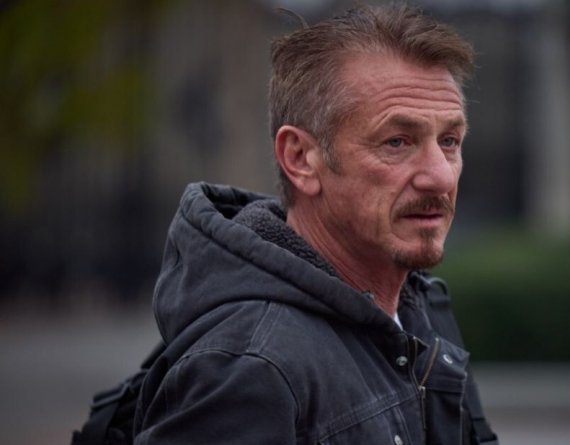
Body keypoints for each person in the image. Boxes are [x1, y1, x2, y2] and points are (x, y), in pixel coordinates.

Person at [132, 4, 497, 444]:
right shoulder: (249, 367)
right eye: (397, 142)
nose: (440, 176)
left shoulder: (419, 311)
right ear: (301, 159)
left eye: (450, 141)